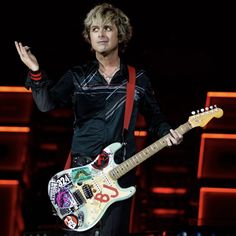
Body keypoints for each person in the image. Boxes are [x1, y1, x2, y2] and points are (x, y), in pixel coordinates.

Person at [15, 2, 183, 236]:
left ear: (120, 35)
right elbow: (46, 104)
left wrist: (167, 132)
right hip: (80, 177)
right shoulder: (78, 76)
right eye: (95, 29)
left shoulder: (137, 78)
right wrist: (35, 71)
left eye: (107, 28)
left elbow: (155, 117)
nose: (101, 34)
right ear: (89, 37)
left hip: (119, 172)